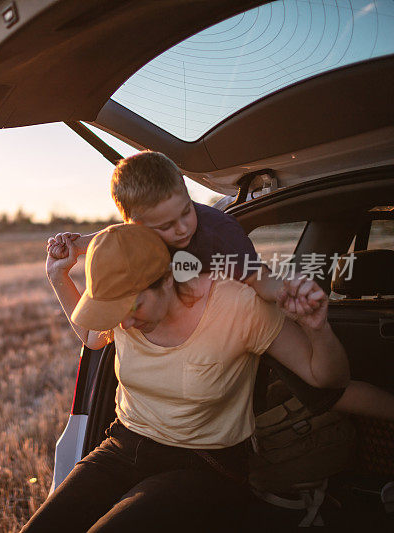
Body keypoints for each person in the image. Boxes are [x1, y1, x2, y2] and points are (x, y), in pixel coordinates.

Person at [21, 224, 350, 532]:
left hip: (202, 464)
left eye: (134, 306)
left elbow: (324, 377)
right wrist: (57, 274)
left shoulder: (237, 307)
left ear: (167, 279)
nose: (126, 324)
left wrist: (317, 329)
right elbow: (93, 337)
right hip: (123, 445)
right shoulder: (123, 314)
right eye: (115, 313)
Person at [47, 151, 394, 420]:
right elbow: (105, 244)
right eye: (166, 225)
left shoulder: (219, 231)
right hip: (199, 338)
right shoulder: (133, 244)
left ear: (186, 192)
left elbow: (260, 279)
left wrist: (288, 294)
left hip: (241, 315)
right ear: (134, 225)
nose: (182, 228)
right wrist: (72, 248)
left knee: (328, 393)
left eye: (186, 211)